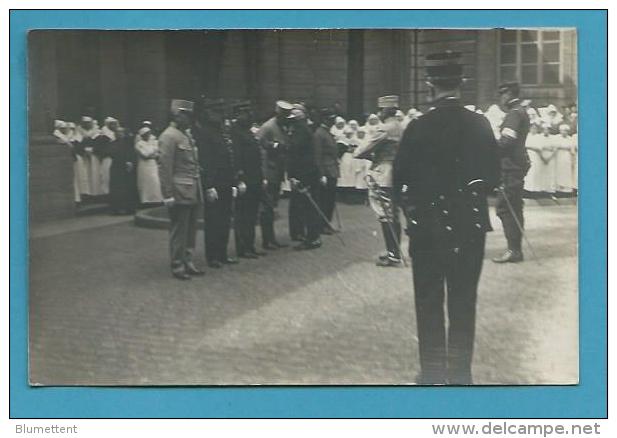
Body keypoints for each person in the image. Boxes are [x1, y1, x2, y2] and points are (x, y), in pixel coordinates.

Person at [393, 50, 500, 384]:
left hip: (427, 228)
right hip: (469, 227)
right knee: (463, 299)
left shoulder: (417, 127)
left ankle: (432, 371)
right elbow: (493, 178)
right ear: (462, 84)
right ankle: (459, 373)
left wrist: (414, 210)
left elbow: (399, 181)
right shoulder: (480, 124)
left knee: (427, 300)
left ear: (429, 86)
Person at [194, 98, 245, 268]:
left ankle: (222, 253)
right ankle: (213, 256)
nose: (220, 115)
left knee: (224, 219)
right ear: (208, 113)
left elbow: (229, 158)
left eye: (221, 112)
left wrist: (234, 181)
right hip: (214, 183)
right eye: (217, 112)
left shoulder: (221, 131)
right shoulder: (204, 133)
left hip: (225, 182)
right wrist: (208, 186)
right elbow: (206, 162)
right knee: (213, 220)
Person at [158, 99, 205, 280]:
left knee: (191, 229)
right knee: (179, 230)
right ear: (176, 115)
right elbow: (165, 167)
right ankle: (177, 264)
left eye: (189, 115)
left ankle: (188, 260)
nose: (188, 119)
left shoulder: (185, 135)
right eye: (185, 115)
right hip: (179, 191)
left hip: (191, 189)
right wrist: (167, 194)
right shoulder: (168, 136)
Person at [354, 95, 404, 267]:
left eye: (380, 110)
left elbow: (360, 151)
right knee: (393, 214)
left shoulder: (384, 129)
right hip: (396, 173)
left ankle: (393, 254)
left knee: (385, 215)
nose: (378, 113)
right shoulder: (400, 126)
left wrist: (372, 155)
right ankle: (394, 251)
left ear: (385, 110)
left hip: (382, 174)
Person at [492, 82, 531, 264]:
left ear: (507, 95)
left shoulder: (514, 114)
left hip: (511, 167)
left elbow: (507, 141)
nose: (500, 99)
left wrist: (489, 153)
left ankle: (513, 250)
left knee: (506, 208)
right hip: (517, 165)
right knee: (514, 206)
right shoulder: (520, 111)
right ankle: (516, 249)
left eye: (501, 95)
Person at [230, 101, 267, 259]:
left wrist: (261, 177)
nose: (249, 115)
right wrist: (239, 180)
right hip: (245, 180)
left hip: (255, 178)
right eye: (246, 113)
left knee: (252, 214)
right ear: (238, 115)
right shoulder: (235, 132)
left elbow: (256, 156)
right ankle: (242, 248)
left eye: (249, 112)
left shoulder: (248, 131)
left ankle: (250, 246)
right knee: (242, 215)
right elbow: (236, 157)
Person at [257, 101, 294, 250]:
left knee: (272, 206)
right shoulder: (268, 127)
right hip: (269, 172)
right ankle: (267, 240)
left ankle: (271, 238)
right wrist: (264, 175)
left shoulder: (281, 127)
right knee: (267, 207)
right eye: (285, 116)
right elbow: (260, 150)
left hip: (277, 172)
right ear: (279, 114)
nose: (287, 119)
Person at [287, 107, 323, 250]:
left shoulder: (300, 132)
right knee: (309, 206)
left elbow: (296, 155)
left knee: (308, 207)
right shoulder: (304, 129)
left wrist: (295, 176)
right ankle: (313, 236)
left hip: (305, 175)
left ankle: (312, 238)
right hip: (309, 173)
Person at [314, 107, 340, 235]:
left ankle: (326, 223)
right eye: (331, 119)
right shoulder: (319, 134)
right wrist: (321, 174)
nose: (333, 121)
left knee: (330, 200)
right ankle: (322, 225)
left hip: (332, 170)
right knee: (324, 201)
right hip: (326, 172)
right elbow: (317, 155)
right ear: (324, 119)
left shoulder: (328, 132)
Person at [109, 127, 138, 215]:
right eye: (117, 132)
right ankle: (116, 208)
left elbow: (132, 154)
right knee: (116, 189)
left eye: (121, 132)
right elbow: (111, 153)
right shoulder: (112, 144)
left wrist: (130, 162)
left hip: (127, 169)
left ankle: (130, 208)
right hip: (116, 168)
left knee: (129, 188)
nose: (119, 134)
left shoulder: (128, 144)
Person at [135, 126, 163, 204]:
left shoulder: (152, 142)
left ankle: (156, 199)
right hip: (144, 165)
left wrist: (153, 153)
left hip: (153, 164)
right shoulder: (139, 144)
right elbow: (145, 155)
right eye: (146, 134)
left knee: (155, 181)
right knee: (145, 182)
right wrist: (153, 150)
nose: (148, 136)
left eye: (149, 134)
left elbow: (158, 154)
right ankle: (146, 200)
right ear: (142, 135)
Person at [523, 123, 544, 194]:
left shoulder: (539, 137)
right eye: (532, 128)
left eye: (535, 128)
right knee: (528, 172)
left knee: (535, 172)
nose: (533, 130)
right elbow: (524, 145)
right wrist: (531, 147)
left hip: (536, 156)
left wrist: (530, 147)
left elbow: (539, 148)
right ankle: (527, 189)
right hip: (527, 155)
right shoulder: (527, 136)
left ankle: (535, 190)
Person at [554, 124, 574, 194]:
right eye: (562, 130)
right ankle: (558, 188)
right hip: (558, 156)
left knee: (566, 171)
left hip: (566, 156)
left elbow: (572, 149)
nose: (564, 132)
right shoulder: (556, 137)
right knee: (558, 170)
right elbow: (555, 147)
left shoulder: (570, 138)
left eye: (566, 131)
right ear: (560, 131)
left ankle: (565, 189)